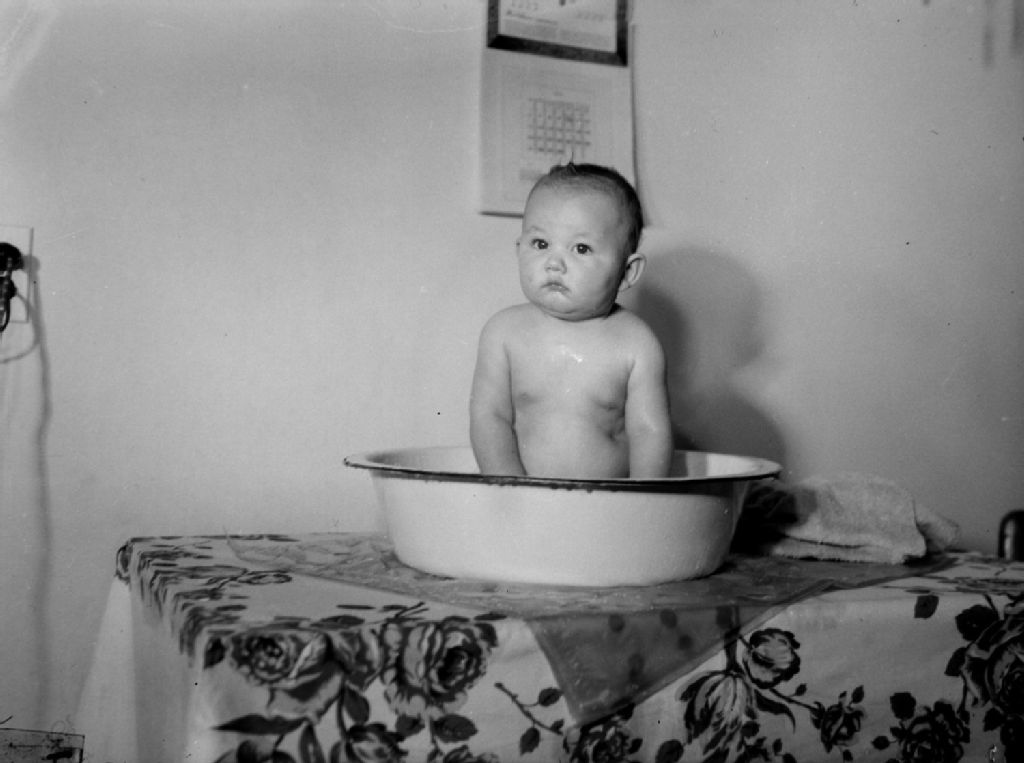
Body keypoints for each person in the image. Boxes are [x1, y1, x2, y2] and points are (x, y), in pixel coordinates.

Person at [470, 163, 673, 479]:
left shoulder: (636, 343)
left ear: (627, 272)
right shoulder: (504, 333)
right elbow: (489, 417)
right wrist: (508, 487)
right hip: (524, 496)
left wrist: (645, 498)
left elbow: (649, 432)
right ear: (519, 249)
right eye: (541, 244)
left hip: (611, 501)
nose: (554, 263)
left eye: (581, 248)